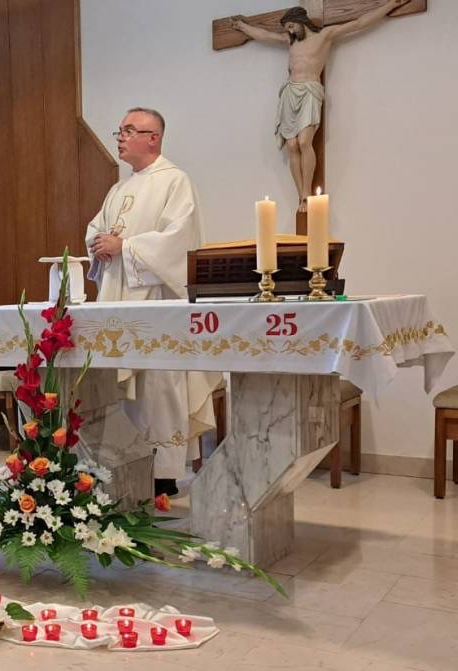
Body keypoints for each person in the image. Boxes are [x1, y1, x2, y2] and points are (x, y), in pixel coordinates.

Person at [84, 107, 220, 497]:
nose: (120, 138)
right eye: (120, 130)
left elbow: (180, 241)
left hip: (158, 305)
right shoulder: (118, 189)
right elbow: (97, 229)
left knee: (158, 386)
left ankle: (162, 473)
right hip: (118, 301)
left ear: (154, 138)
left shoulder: (175, 181)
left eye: (129, 130)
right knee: (126, 391)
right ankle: (127, 464)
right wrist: (99, 244)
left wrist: (125, 247)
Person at [231, 0, 410, 211]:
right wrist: (242, 26)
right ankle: (301, 195)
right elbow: (265, 35)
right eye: (287, 28)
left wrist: (391, 5)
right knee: (291, 146)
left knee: (304, 141)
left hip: (309, 91)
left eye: (291, 26)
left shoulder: (324, 36)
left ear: (300, 21)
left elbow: (359, 23)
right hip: (290, 92)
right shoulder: (291, 41)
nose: (290, 31)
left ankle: (307, 192)